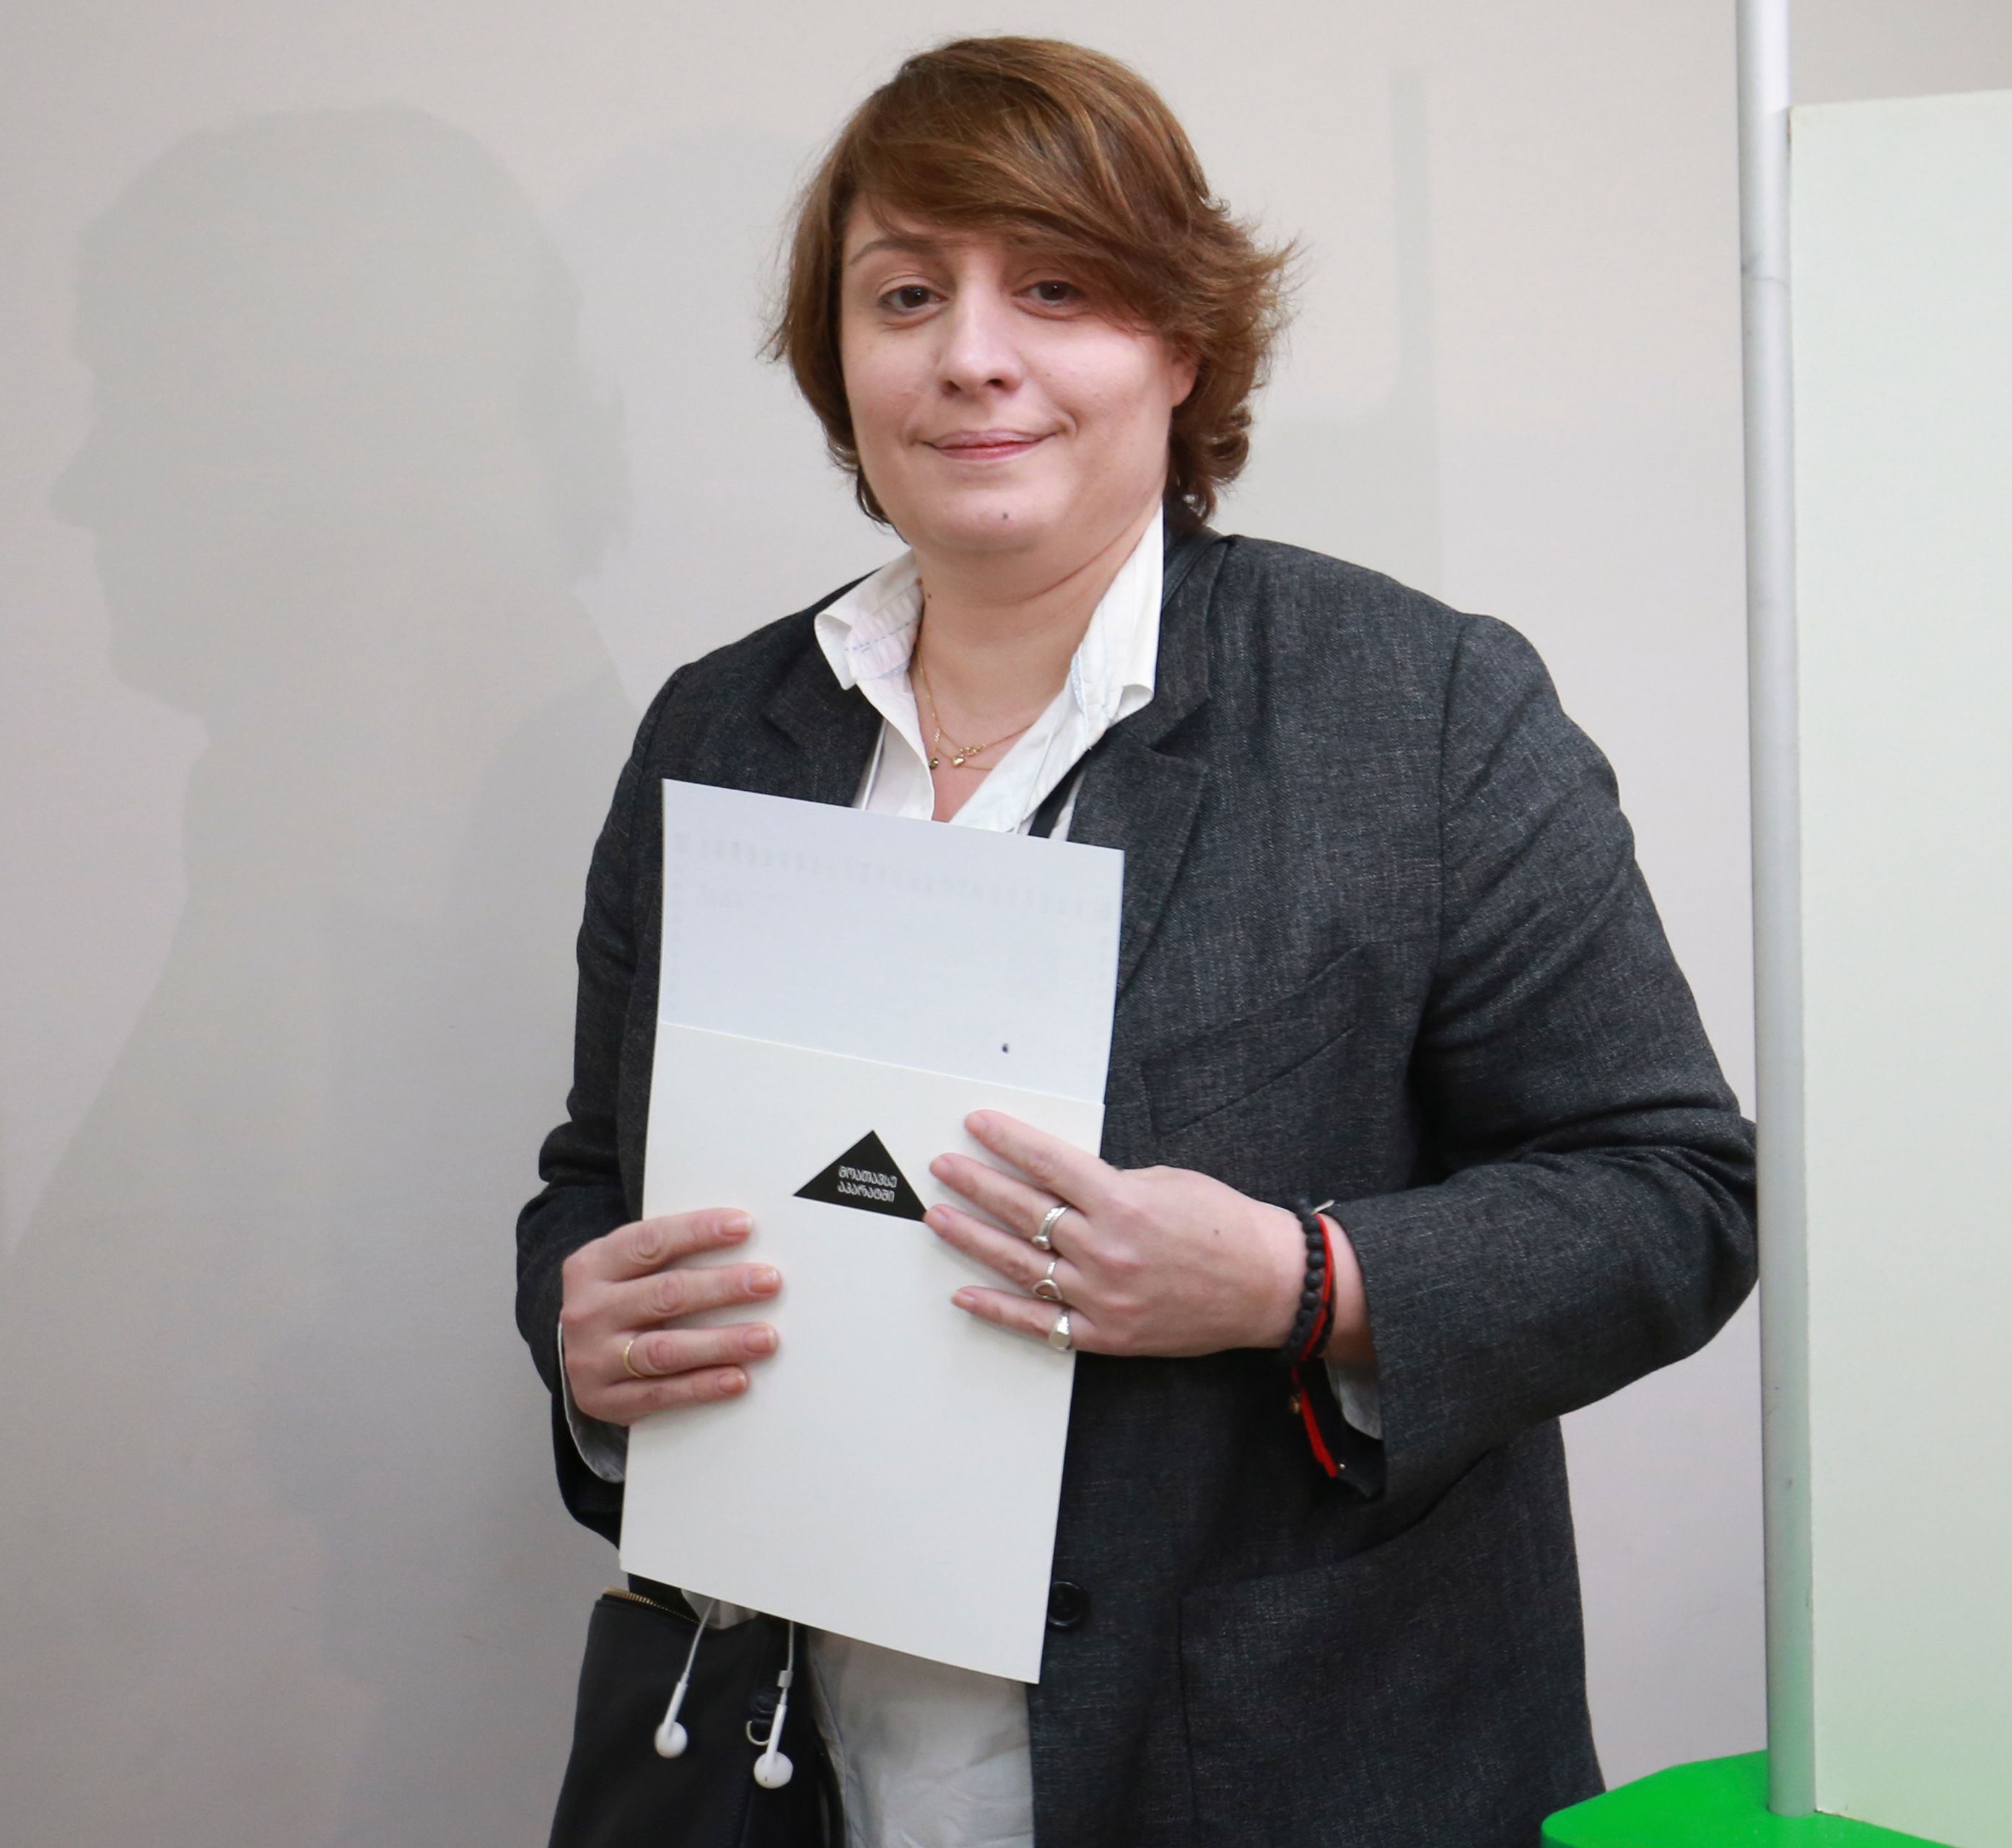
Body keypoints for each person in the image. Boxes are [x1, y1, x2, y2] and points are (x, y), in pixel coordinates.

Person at [514, 36, 1755, 1848]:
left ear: (1182, 343)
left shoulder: (1419, 705)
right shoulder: (718, 729)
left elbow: (1674, 1198)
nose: (972, 354)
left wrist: (1293, 1281)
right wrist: (591, 1344)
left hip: (1287, 1767)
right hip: (806, 1765)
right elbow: (594, 1177)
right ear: (841, 362)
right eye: (906, 294)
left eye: (1059, 288)